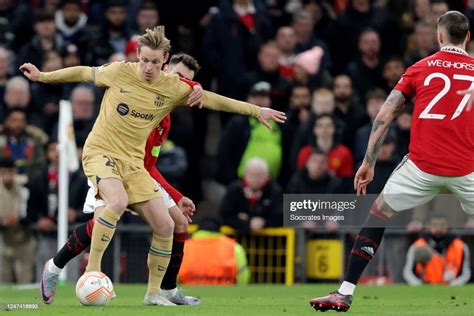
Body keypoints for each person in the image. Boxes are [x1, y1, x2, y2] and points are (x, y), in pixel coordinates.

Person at [20, 25, 285, 307]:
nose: (148, 67)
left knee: (166, 225)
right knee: (117, 202)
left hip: (134, 164)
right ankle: (92, 272)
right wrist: (43, 76)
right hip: (101, 153)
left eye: (155, 62)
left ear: (165, 62)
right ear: (137, 54)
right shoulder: (119, 71)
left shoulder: (172, 88)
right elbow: (83, 71)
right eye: (144, 60)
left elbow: (214, 101)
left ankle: (155, 293)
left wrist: (256, 110)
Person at [310, 11, 474, 312]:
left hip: (422, 166)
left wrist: (369, 161)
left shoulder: (420, 68)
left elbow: (385, 115)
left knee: (379, 212)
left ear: (439, 37)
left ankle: (344, 292)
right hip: (467, 168)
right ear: (467, 37)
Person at [39, 53, 201, 306]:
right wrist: (43, 77)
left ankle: (166, 290)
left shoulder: (164, 119)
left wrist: (176, 197)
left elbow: (148, 165)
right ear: (165, 69)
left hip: (138, 172)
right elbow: (87, 73)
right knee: (100, 224)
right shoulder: (141, 100)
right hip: (109, 163)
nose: (182, 85)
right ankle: (56, 266)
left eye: (188, 83)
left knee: (177, 224)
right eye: (179, 77)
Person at [403, 215, 471, 286]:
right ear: (427, 227)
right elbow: (408, 272)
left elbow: (466, 273)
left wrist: (453, 285)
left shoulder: (460, 246)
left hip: (452, 289)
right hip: (425, 289)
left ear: (448, 227)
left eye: (442, 225)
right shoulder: (417, 246)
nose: (439, 228)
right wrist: (419, 285)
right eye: (434, 225)